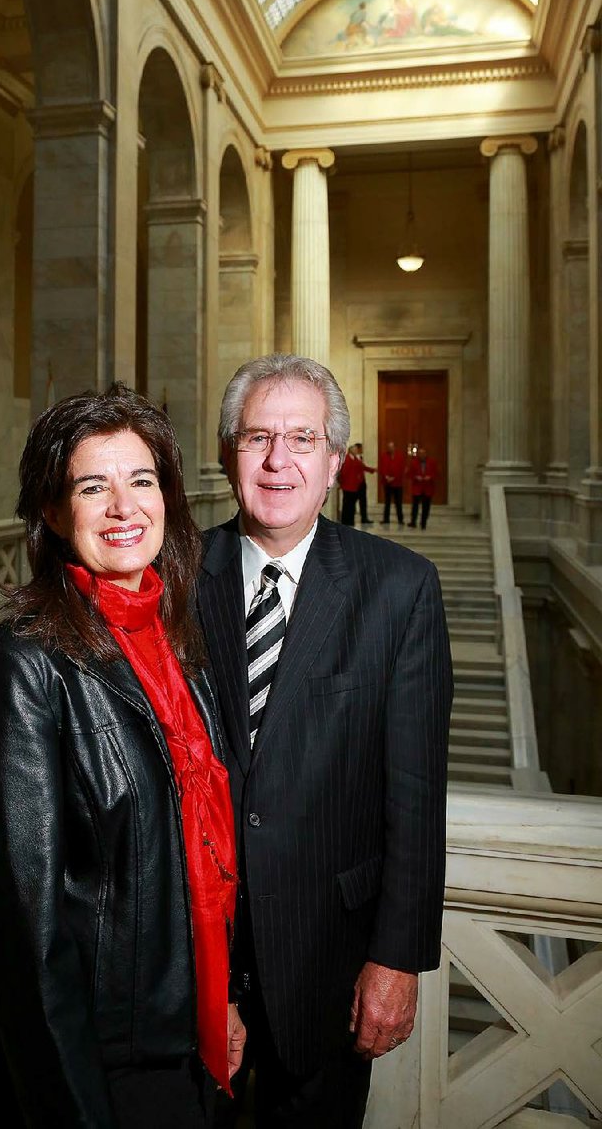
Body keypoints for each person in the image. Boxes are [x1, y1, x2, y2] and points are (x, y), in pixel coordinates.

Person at [0, 384, 245, 1129]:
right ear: (52, 513)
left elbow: (200, 857)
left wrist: (220, 999)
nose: (124, 507)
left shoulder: (178, 641)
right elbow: (26, 935)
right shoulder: (18, 669)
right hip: (101, 1067)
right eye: (93, 487)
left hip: (187, 1042)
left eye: (141, 480)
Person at [197, 354, 453, 1129]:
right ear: (226, 454)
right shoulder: (176, 576)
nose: (279, 461)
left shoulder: (400, 588)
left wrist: (398, 957)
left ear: (336, 461)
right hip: (191, 971)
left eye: (303, 439)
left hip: (329, 972)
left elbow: (414, 792)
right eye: (257, 438)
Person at [408, 446, 439, 529]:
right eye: (420, 453)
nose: (421, 455)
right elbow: (409, 474)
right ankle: (413, 522)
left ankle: (423, 523)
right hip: (417, 488)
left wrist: (429, 477)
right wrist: (416, 477)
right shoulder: (414, 462)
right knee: (415, 507)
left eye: (423, 453)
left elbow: (436, 473)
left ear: (425, 454)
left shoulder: (432, 462)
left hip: (427, 488)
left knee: (426, 507)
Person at [380, 439, 406, 526]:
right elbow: (382, 467)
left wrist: (394, 478)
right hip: (387, 483)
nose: (390, 448)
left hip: (397, 483)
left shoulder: (400, 456)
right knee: (387, 502)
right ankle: (386, 519)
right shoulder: (384, 456)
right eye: (388, 447)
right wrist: (386, 476)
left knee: (398, 503)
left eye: (391, 447)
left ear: (394, 447)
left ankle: (400, 519)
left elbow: (401, 469)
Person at [336, 444, 363, 526]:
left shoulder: (355, 459)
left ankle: (351, 521)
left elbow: (360, 468)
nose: (356, 451)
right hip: (347, 486)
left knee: (352, 505)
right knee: (347, 505)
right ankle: (346, 521)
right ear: (351, 450)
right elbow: (343, 473)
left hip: (354, 486)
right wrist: (342, 483)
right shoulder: (347, 459)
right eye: (355, 450)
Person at [352, 442, 375, 525]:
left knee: (363, 501)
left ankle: (364, 517)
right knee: (354, 501)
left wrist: (371, 470)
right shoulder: (354, 458)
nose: (362, 450)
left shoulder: (360, 457)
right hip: (356, 483)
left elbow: (362, 467)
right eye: (361, 448)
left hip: (362, 482)